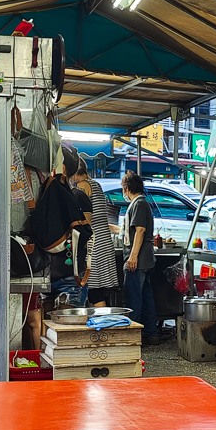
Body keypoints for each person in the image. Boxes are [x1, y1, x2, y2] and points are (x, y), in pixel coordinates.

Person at [40, 146, 93, 316]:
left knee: (66, 334)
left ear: (62, 168)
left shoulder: (74, 196)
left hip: (68, 276)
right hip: (48, 275)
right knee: (50, 334)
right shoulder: (48, 191)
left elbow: (86, 232)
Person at [72, 157, 119, 307]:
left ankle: (103, 326)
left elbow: (84, 219)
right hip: (104, 241)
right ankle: (101, 325)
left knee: (93, 290)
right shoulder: (96, 184)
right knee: (96, 290)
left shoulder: (83, 186)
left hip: (94, 244)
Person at [121, 171, 159, 345]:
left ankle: (134, 338)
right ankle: (150, 333)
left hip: (139, 259)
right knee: (145, 296)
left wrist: (133, 256)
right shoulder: (141, 203)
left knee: (133, 298)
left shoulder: (139, 204)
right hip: (145, 260)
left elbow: (140, 231)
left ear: (127, 188)